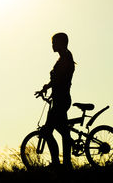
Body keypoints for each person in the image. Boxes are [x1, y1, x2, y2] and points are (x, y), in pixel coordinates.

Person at [35, 32, 75, 169]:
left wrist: (48, 86)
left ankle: (57, 163)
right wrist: (47, 87)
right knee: (64, 132)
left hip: (61, 100)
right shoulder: (64, 58)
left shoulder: (65, 58)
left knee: (47, 131)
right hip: (59, 99)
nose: (52, 45)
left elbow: (59, 79)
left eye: (54, 42)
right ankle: (66, 164)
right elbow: (57, 79)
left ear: (61, 43)